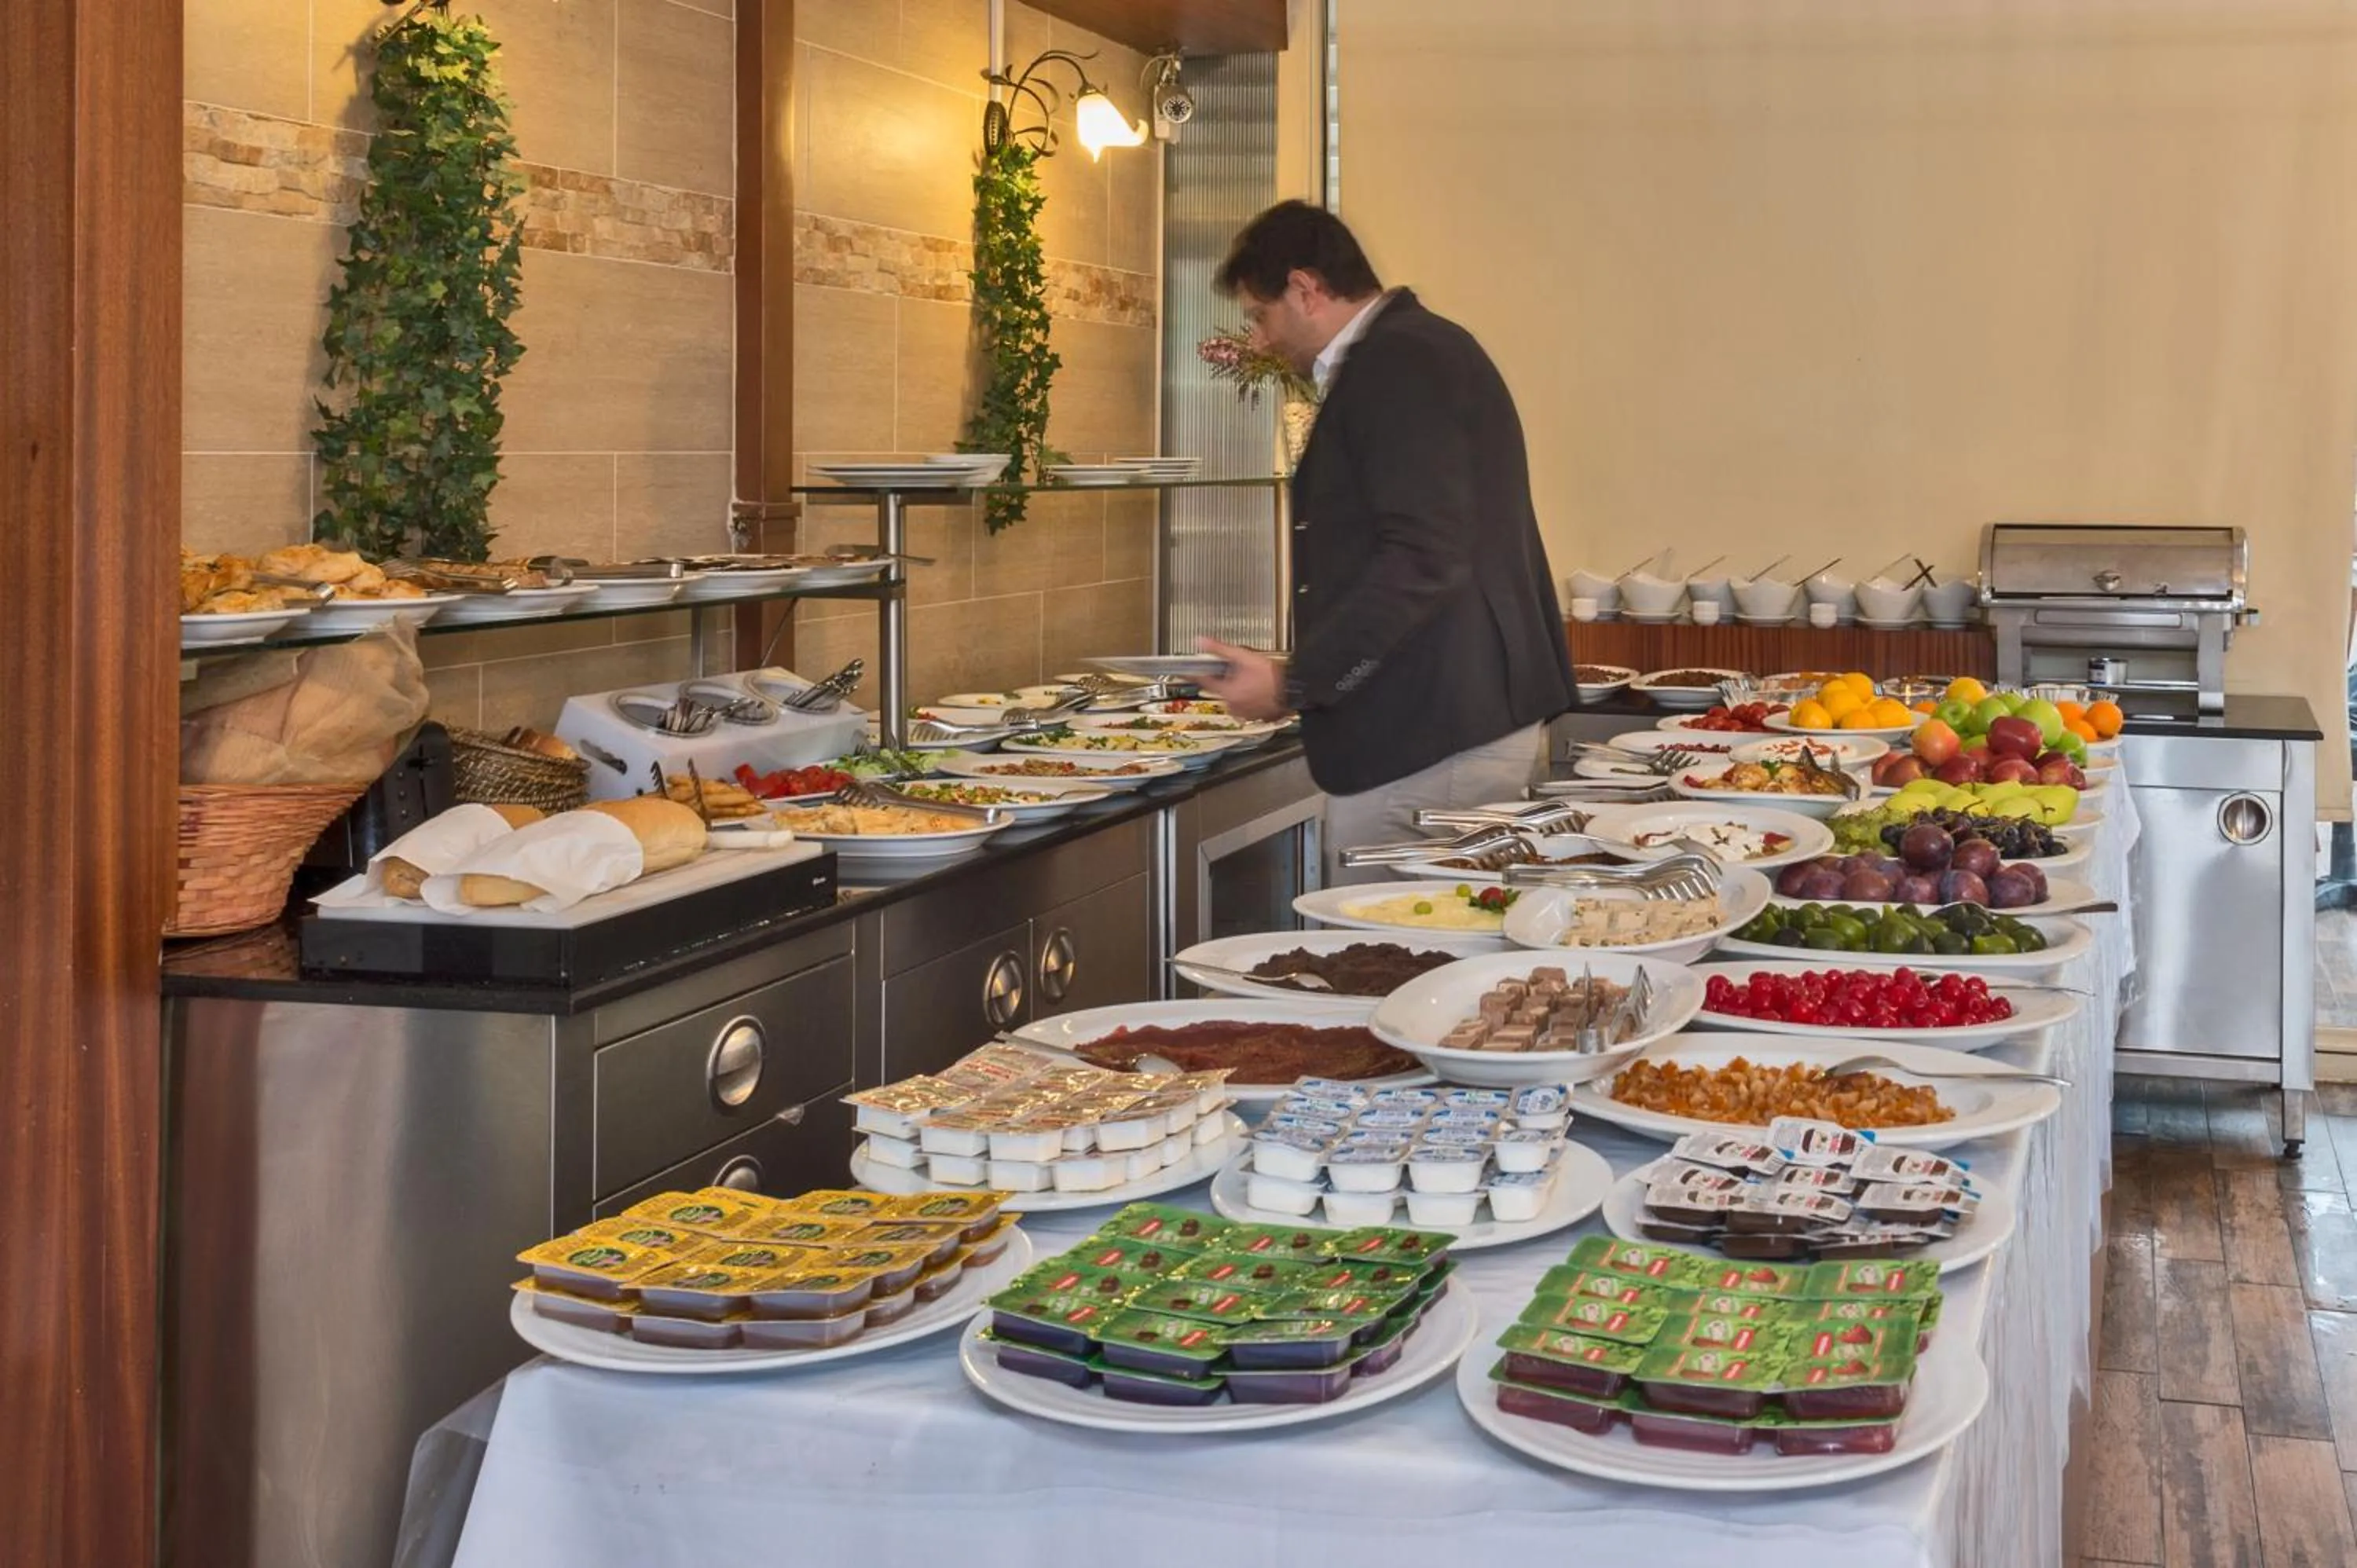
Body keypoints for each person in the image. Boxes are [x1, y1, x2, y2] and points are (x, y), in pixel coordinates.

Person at [1194, 200, 1579, 884]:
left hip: (1431, 737)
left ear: (1305, 288)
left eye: (1259, 314)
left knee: (1385, 940)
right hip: (1454, 724)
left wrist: (1294, 681)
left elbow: (1424, 555)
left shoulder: (1399, 360)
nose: (1258, 339)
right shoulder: (1423, 347)